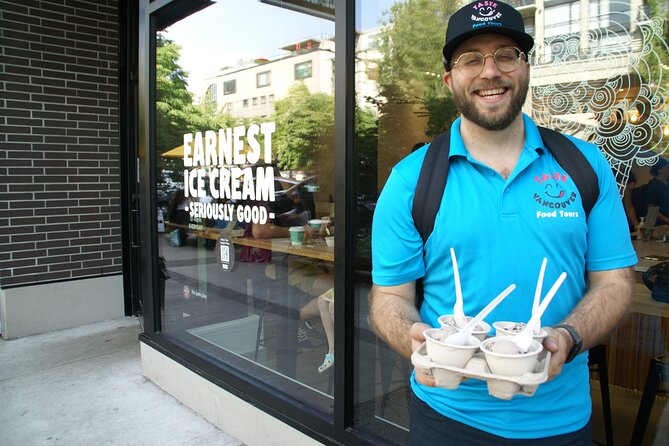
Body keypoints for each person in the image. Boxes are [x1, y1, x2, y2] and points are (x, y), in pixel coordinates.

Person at [369, 2, 636, 444]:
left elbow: (615, 282)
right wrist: (412, 337)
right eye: (471, 58)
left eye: (506, 54)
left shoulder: (586, 165)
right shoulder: (410, 180)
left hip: (562, 420)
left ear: (525, 67)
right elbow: (389, 298)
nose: (490, 71)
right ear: (450, 80)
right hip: (447, 418)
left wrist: (568, 337)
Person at [644, 157, 669, 226]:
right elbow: (652, 208)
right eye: (667, 167)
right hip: (659, 224)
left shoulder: (666, 183)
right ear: (659, 170)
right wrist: (667, 220)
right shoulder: (654, 186)